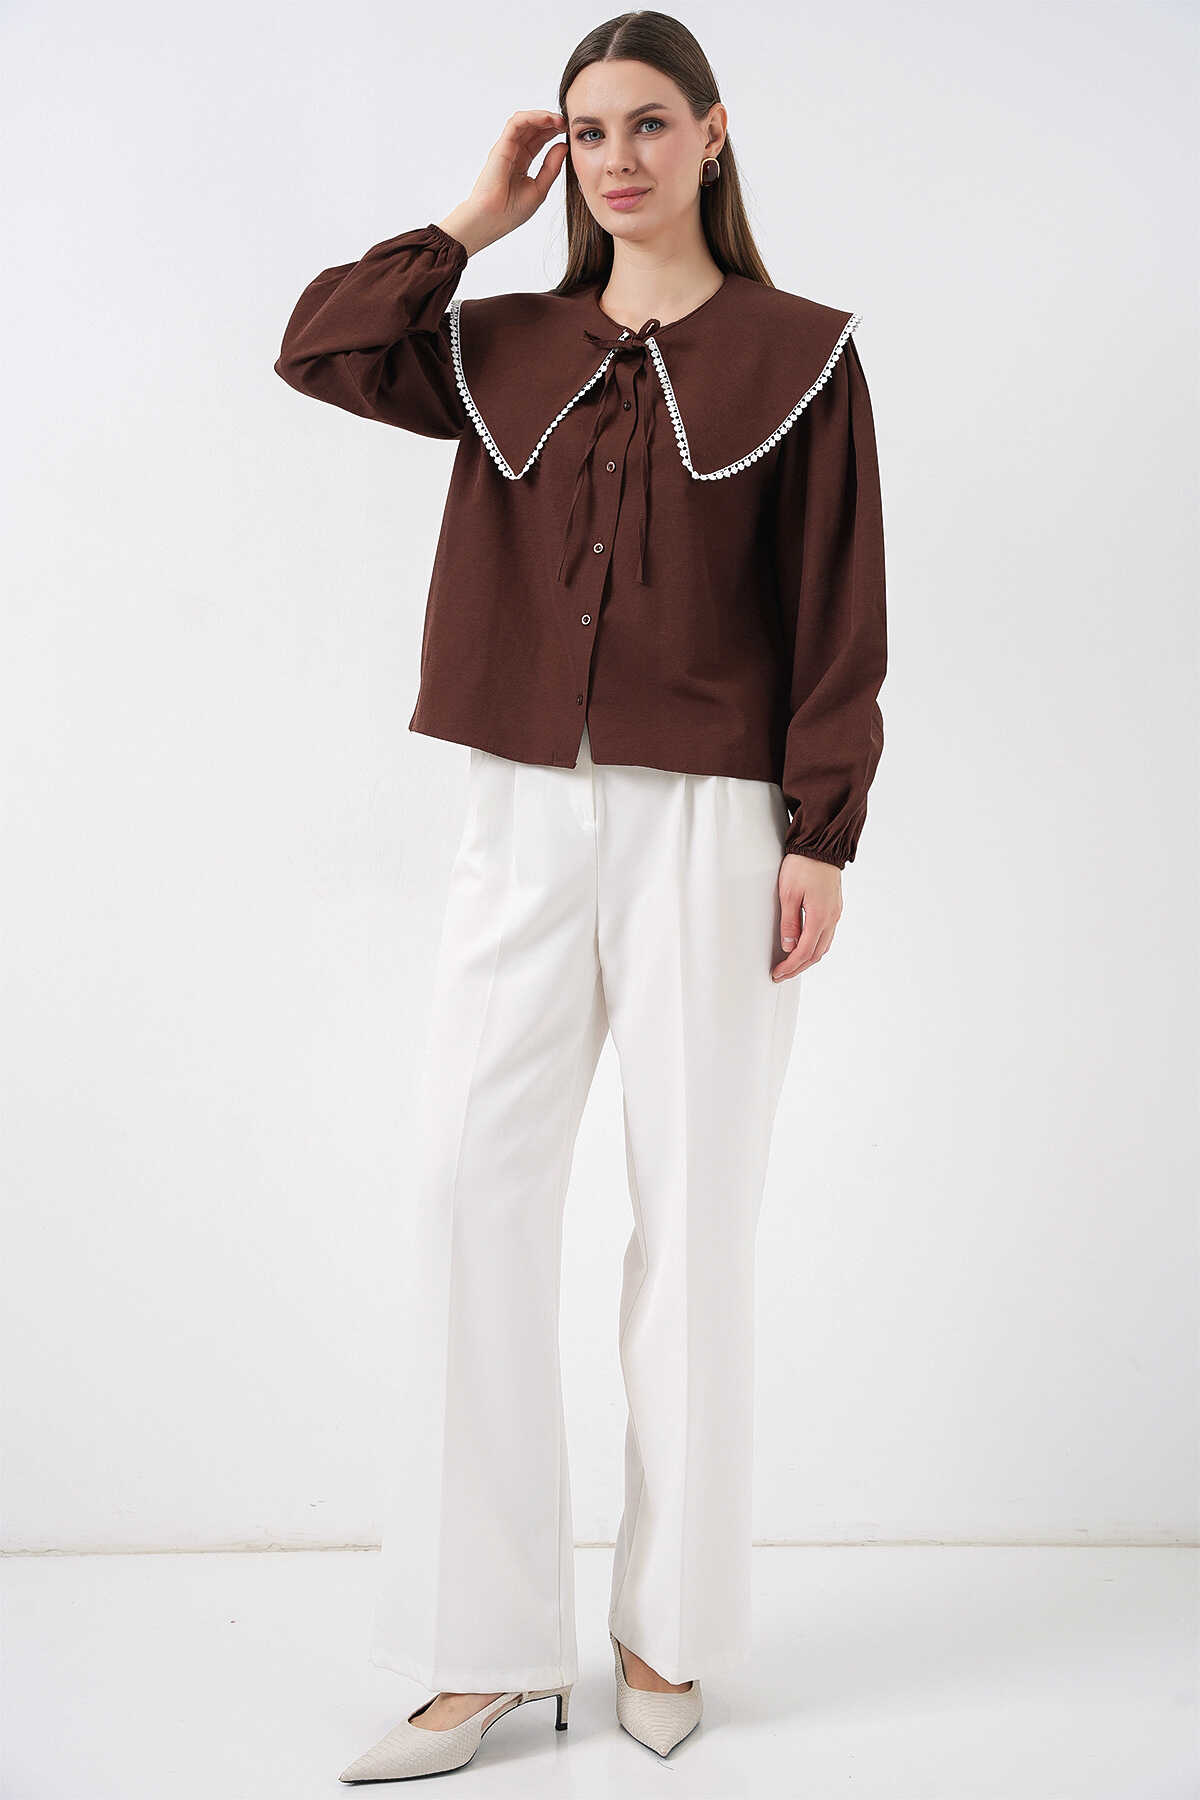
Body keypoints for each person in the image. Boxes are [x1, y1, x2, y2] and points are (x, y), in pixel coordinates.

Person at [274, 11, 887, 1782]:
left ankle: (663, 1629)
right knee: (469, 1186)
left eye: (647, 124)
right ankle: (480, 1650)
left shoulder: (802, 354)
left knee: (694, 1221)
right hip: (521, 812)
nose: (615, 159)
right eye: (586, 131)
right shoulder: (501, 344)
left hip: (717, 825)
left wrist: (821, 835)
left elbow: (841, 601)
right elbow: (320, 346)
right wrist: (470, 219)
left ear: (712, 135)